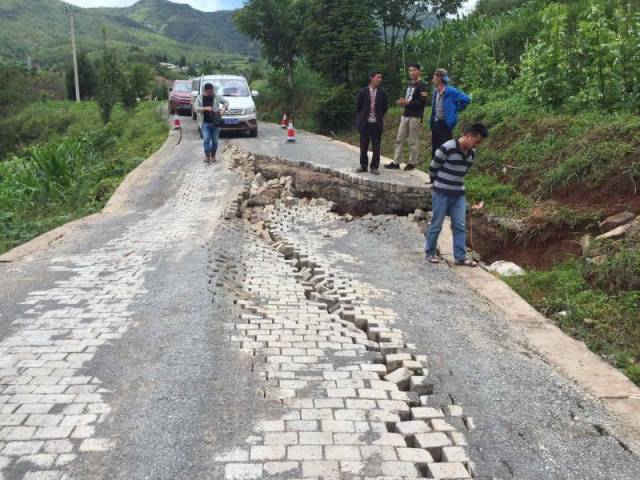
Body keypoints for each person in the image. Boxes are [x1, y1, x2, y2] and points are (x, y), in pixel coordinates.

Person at [425, 123, 489, 267]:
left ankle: (460, 257)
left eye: (479, 143)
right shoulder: (447, 147)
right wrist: (438, 184)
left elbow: (463, 172)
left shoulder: (472, 154)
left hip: (459, 194)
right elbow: (433, 167)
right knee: (437, 223)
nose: (476, 145)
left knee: (460, 224)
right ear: (468, 135)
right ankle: (430, 252)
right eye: (476, 141)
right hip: (441, 192)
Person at [385, 63, 429, 172]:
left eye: (414, 70)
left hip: (415, 116)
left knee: (412, 140)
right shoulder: (410, 84)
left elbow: (423, 102)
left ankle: (412, 163)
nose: (412, 72)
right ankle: (396, 162)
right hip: (405, 115)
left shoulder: (422, 85)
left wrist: (408, 103)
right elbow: (408, 99)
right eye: (410, 70)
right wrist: (402, 102)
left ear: (419, 71)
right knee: (399, 138)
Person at [430, 69, 471, 156]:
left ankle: (445, 167)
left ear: (439, 78)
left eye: (434, 77)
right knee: (435, 148)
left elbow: (466, 99)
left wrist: (456, 108)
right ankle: (434, 167)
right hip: (436, 123)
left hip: (446, 123)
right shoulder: (435, 91)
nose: (432, 79)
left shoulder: (451, 91)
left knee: (445, 148)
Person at [355, 71, 389, 175]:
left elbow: (385, 107)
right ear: (371, 78)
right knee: (363, 146)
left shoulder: (382, 92)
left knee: (376, 147)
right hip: (365, 123)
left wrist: (378, 116)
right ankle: (363, 166)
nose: (380, 79)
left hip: (376, 123)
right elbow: (358, 107)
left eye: (381, 77)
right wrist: (363, 117)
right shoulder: (362, 92)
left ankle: (374, 167)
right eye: (378, 77)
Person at [195, 82, 229, 164]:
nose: (210, 93)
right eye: (209, 92)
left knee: (215, 141)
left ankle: (213, 155)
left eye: (211, 91)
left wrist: (224, 108)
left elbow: (226, 102)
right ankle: (207, 156)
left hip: (215, 122)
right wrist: (205, 108)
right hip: (205, 123)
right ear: (205, 91)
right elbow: (196, 108)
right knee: (206, 139)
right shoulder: (199, 98)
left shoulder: (216, 96)